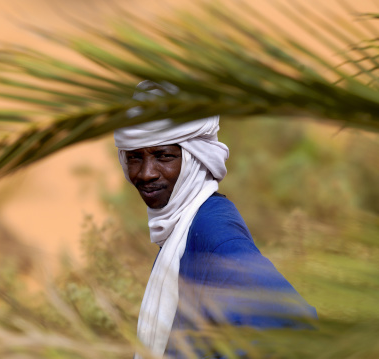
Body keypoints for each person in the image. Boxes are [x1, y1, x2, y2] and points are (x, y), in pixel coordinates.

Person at [114, 81, 317, 359]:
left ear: (195, 158)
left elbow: (291, 330)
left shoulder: (214, 234)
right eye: (135, 158)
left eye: (164, 156)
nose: (146, 173)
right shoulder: (181, 228)